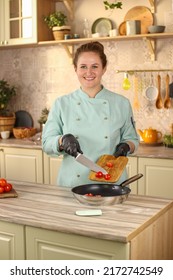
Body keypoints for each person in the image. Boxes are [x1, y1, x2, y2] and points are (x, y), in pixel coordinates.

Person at [42, 41, 139, 187]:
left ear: (104, 69)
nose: (89, 72)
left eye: (95, 66)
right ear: (75, 69)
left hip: (111, 183)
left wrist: (126, 146)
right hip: (72, 184)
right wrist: (62, 140)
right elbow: (46, 144)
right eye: (83, 67)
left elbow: (132, 139)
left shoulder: (122, 103)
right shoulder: (62, 103)